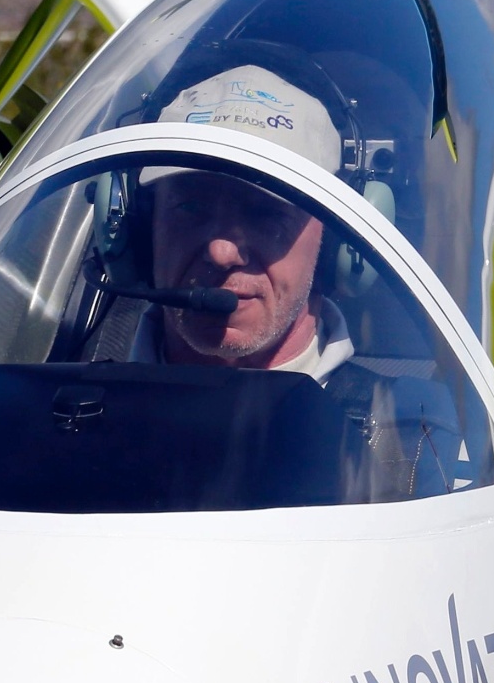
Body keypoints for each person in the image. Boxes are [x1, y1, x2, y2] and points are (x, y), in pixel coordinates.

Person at [125, 64, 469, 501]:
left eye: (264, 213)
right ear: (141, 228)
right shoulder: (60, 414)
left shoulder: (422, 441)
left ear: (335, 244)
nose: (222, 251)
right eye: (190, 208)